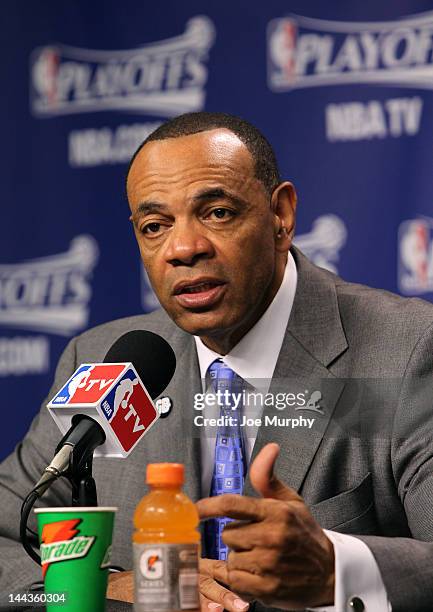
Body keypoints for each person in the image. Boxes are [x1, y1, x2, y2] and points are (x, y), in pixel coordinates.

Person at [1, 112, 433, 612]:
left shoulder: (408, 347)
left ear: (282, 216)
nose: (183, 248)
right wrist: (99, 588)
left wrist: (339, 567)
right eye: (155, 226)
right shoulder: (102, 361)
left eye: (218, 213)